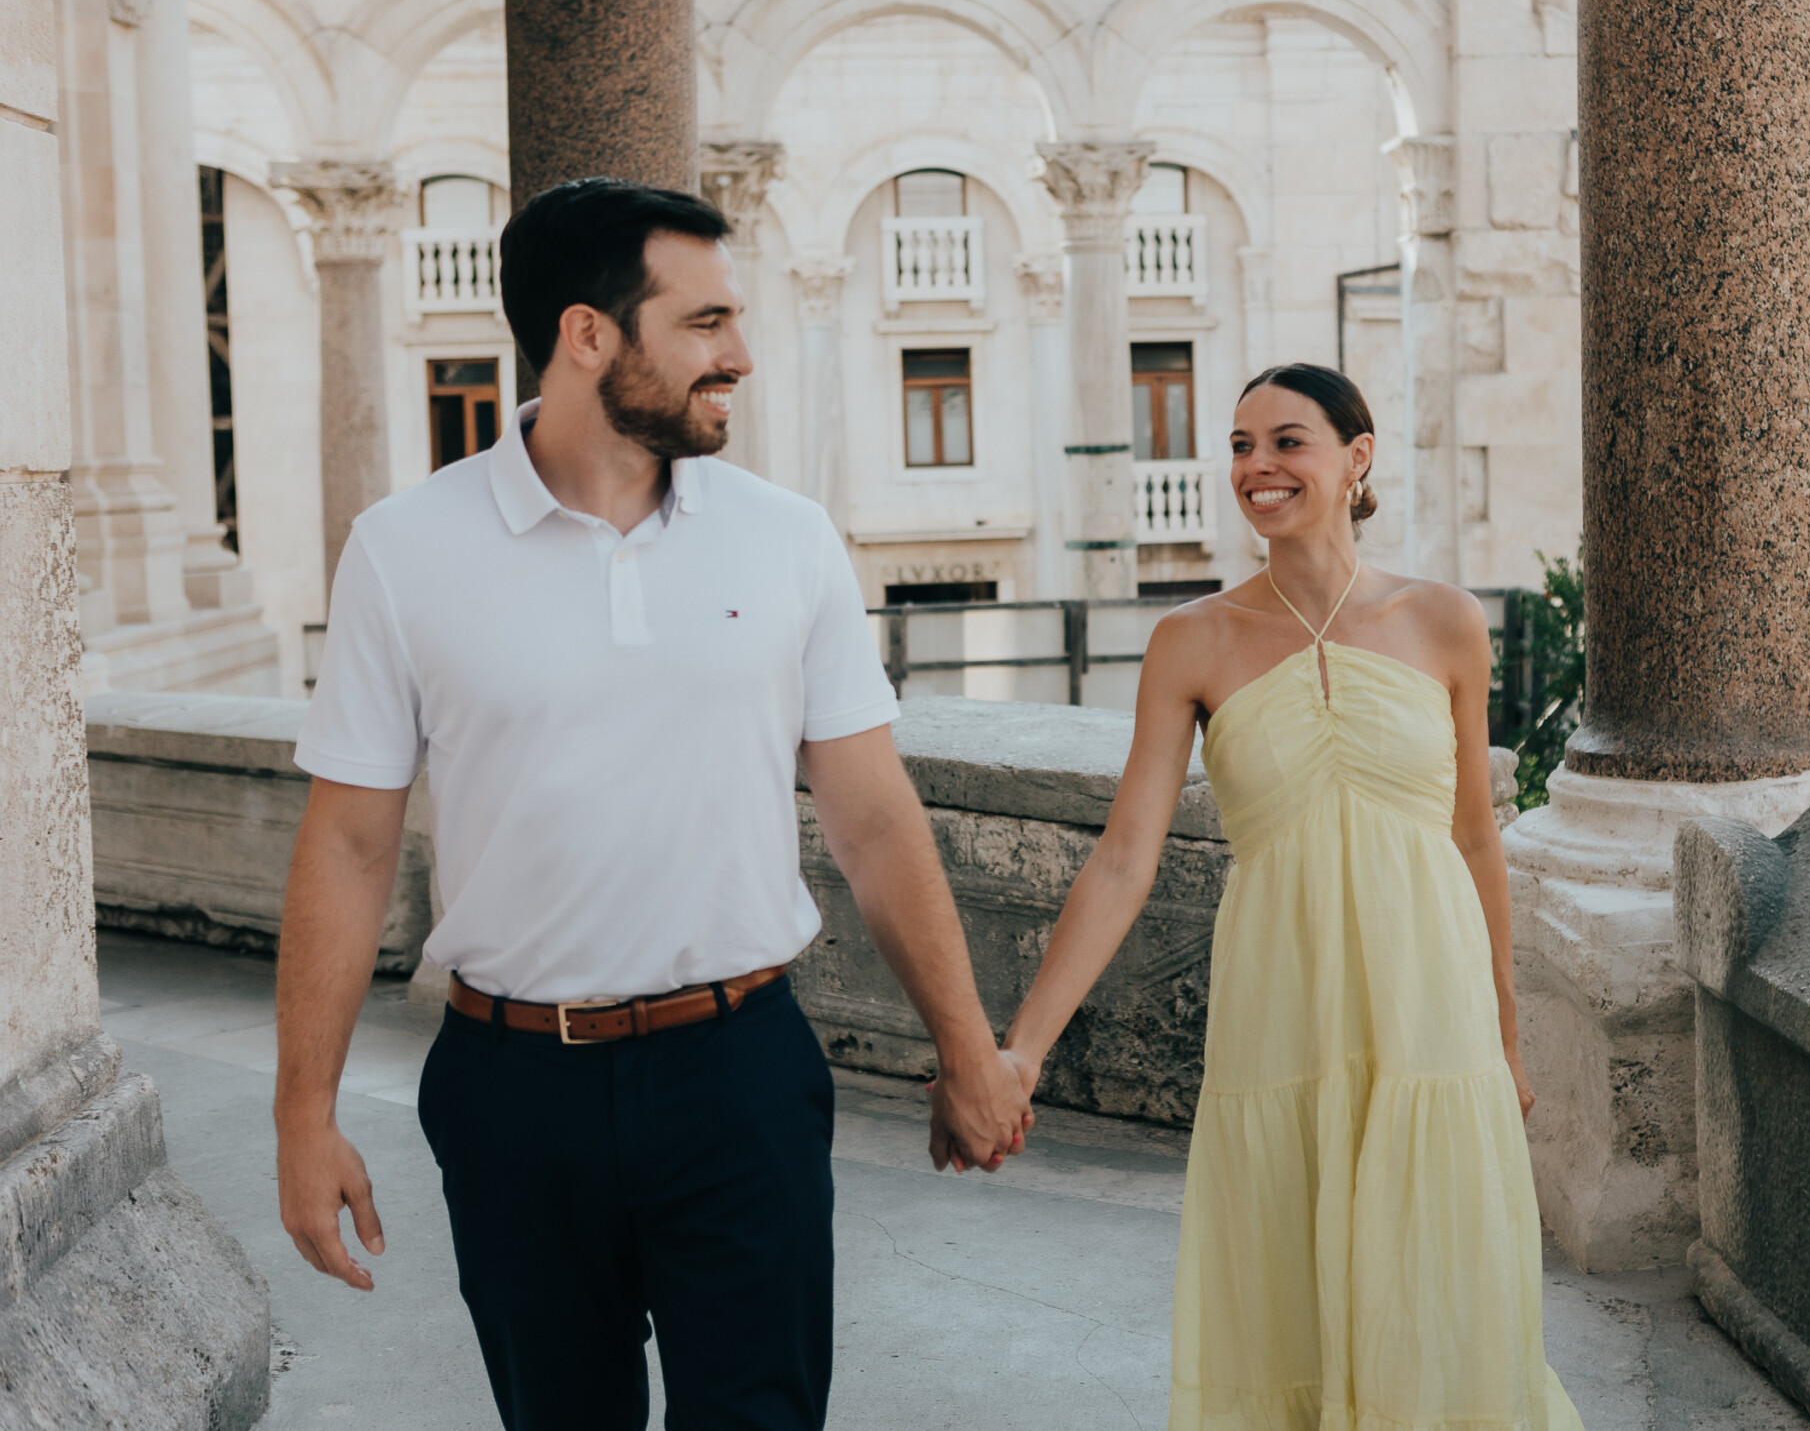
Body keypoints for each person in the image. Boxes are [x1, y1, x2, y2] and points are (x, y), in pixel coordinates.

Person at [270, 178, 1030, 1431]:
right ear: (588, 335)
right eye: (704, 323)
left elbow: (874, 819)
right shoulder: (404, 550)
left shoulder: (786, 539)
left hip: (740, 1073)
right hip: (510, 1091)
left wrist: (966, 1050)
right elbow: (347, 845)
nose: (737, 357)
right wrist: (305, 1116)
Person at [998, 363, 1583, 1431]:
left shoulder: (1445, 622)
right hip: (1282, 1000)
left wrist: (1503, 1038)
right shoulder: (1192, 641)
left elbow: (1471, 839)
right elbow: (1125, 856)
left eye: (1285, 441)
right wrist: (1023, 1049)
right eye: (1238, 446)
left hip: (1430, 1001)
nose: (1256, 468)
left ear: (1356, 457)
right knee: (1283, 1262)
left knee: (1437, 1260)